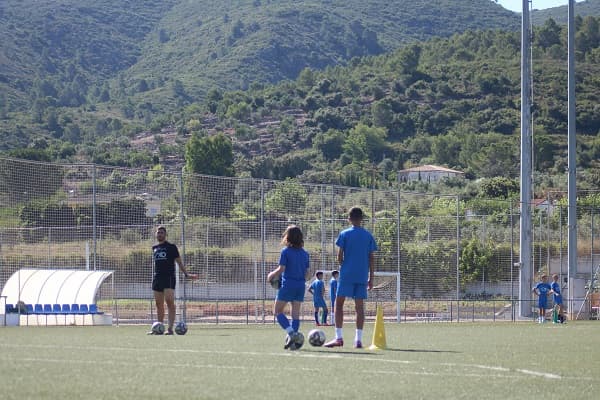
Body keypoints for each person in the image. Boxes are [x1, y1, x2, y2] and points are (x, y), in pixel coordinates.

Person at [324, 207, 377, 348]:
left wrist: (344, 266)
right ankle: (358, 340)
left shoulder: (344, 234)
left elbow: (339, 256)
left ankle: (339, 338)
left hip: (347, 274)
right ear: (362, 219)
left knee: (339, 303)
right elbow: (372, 258)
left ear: (349, 218)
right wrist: (371, 278)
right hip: (361, 275)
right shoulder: (368, 236)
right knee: (359, 308)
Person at [267, 225, 310, 349]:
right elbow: (307, 274)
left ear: (288, 237)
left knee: (277, 311)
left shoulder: (285, 252)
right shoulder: (305, 254)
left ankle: (291, 334)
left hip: (288, 285)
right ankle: (294, 337)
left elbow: (282, 269)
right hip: (300, 285)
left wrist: (271, 275)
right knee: (295, 313)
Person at [149, 226, 198, 335]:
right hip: (157, 278)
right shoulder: (154, 248)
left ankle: (170, 329)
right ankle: (159, 327)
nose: (159, 234)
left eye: (161, 233)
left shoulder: (171, 247)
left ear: (165, 235)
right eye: (158, 233)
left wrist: (186, 274)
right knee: (158, 304)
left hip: (168, 277)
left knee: (169, 302)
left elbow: (179, 262)